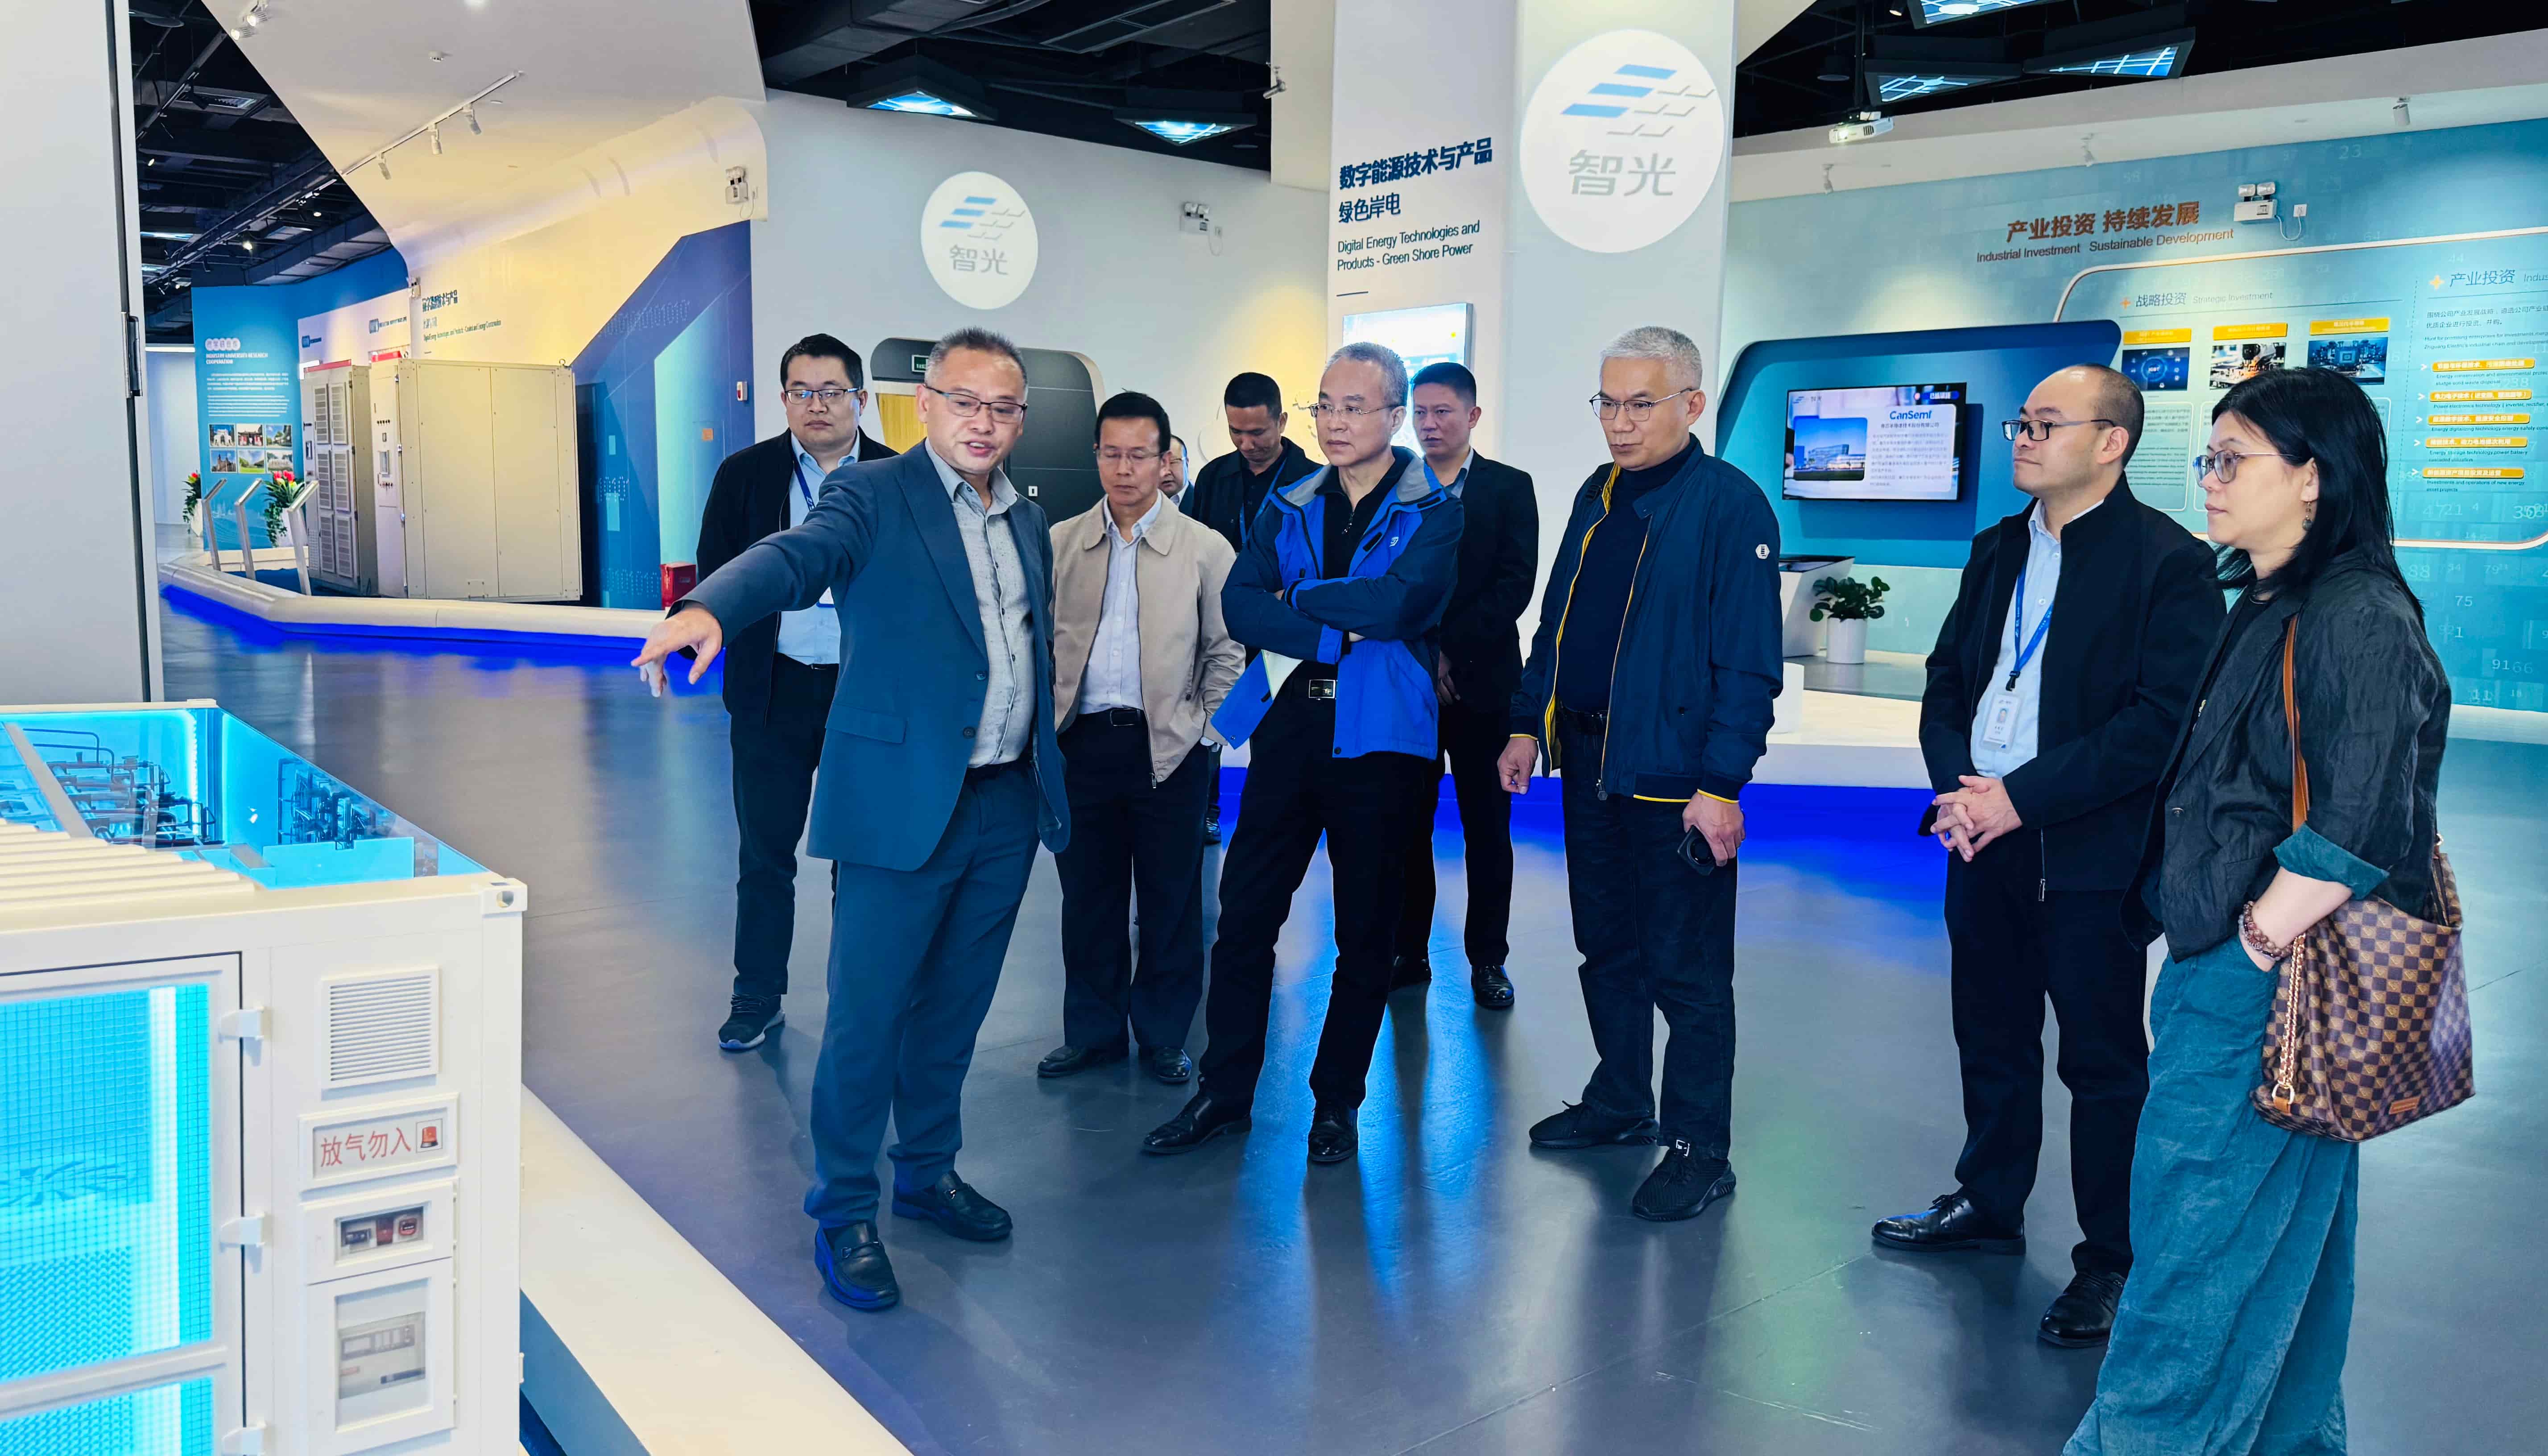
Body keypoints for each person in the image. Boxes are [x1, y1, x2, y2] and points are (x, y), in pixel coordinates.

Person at [633, 328, 1067, 1315]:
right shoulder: (871, 494)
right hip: (899, 801)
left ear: (1020, 419)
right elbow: (795, 557)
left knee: (954, 1011)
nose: (984, 423)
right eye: (965, 402)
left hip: (1003, 801)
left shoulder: (1029, 520)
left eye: (1003, 407)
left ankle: (927, 1169)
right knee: (868, 1017)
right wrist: (710, 608)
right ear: (924, 404)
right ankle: (843, 1210)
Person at [2068, 368, 2449, 1455]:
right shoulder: (2275, 602)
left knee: (2192, 1246)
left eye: (2233, 459)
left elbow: (2358, 823)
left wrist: (2252, 945)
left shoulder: (2356, 615)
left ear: (2314, 479)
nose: (2211, 478)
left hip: (2267, 984)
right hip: (2247, 972)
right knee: (2288, 1255)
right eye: (2210, 457)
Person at [1874, 364, 2221, 1348]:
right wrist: (1958, 789)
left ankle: (2113, 1259)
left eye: (2045, 424)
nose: (2023, 439)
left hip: (2087, 851)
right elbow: (1947, 681)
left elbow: (2159, 723)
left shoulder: (2169, 562)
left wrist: (2018, 798)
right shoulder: (1997, 548)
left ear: (2111, 442)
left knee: (2102, 1061)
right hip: (1976, 831)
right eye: (2021, 424)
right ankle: (1989, 1201)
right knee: (1989, 1032)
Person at [1142, 342, 1463, 1164]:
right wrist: (1330, 629)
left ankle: (1337, 1102)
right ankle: (1224, 1091)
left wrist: (1300, 598)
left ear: (1395, 417)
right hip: (1288, 730)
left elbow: (1398, 607)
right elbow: (1242, 604)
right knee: (1245, 917)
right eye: (1325, 405)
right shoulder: (1287, 503)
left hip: (1383, 742)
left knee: (1366, 930)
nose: (1335, 421)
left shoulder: (1434, 509)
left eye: (1355, 406)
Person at [1495, 326, 1782, 1222]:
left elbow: (1749, 664)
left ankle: (1700, 1148)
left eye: (1639, 404)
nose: (1619, 423)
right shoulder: (1599, 491)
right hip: (1588, 763)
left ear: (1691, 405)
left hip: (1675, 780)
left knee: (1687, 973)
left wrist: (1722, 784)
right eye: (1608, 403)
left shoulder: (1731, 508)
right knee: (1607, 947)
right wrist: (1525, 722)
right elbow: (1557, 622)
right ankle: (1621, 1097)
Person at [695, 334, 898, 1052]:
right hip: (772, 691)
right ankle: (757, 996)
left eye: (832, 392)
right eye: (801, 392)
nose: (817, 405)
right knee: (764, 856)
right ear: (783, 399)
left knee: (863, 861)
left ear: (860, 399)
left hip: (865, 697)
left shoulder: (898, 479)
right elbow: (719, 573)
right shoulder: (745, 476)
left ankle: (860, 1002)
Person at [1038, 394, 1242, 1085]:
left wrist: (1207, 733)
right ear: (1096, 456)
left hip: (1170, 749)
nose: (1124, 469)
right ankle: (1093, 1032)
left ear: (1165, 461)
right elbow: (1039, 643)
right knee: (1087, 900)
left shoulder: (1205, 548)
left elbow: (1228, 653)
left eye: (1139, 455)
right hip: (1081, 746)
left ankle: (1163, 1034)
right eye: (1112, 454)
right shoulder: (1060, 542)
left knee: (1171, 901)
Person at [1388, 361, 1539, 1010]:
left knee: (1487, 829)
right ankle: (1409, 951)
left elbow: (1515, 585)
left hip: (1485, 686)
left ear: (1473, 416)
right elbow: (1386, 583)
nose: (1430, 424)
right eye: (1420, 412)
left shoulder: (1509, 487)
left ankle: (1489, 960)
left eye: (1443, 411)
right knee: (1406, 826)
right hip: (1410, 683)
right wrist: (1427, 654)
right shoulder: (1395, 486)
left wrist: (1450, 648)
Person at [1186, 372, 1321, 844]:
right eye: (1235, 432)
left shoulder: (1316, 482)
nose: (1247, 444)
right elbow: (1192, 551)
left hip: (1280, 634)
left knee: (1277, 739)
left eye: (1258, 432)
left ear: (1281, 422)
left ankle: (1276, 826)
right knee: (1209, 725)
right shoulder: (1213, 478)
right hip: (1218, 627)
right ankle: (1205, 812)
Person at [1161, 434, 1191, 500]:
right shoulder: (1144, 503)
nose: (1166, 473)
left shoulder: (1203, 501)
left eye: (1173, 462)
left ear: (1186, 463)